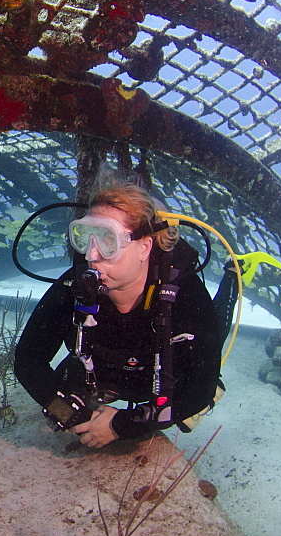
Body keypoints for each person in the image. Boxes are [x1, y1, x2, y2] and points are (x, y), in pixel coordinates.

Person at [13, 172, 224, 448]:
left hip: (154, 380)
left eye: (107, 240)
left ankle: (233, 275)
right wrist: (74, 416)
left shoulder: (183, 293)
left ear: (144, 247)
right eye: (84, 237)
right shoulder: (75, 285)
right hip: (102, 373)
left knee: (198, 399)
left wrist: (122, 425)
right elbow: (27, 360)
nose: (91, 255)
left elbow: (199, 389)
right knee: (69, 381)